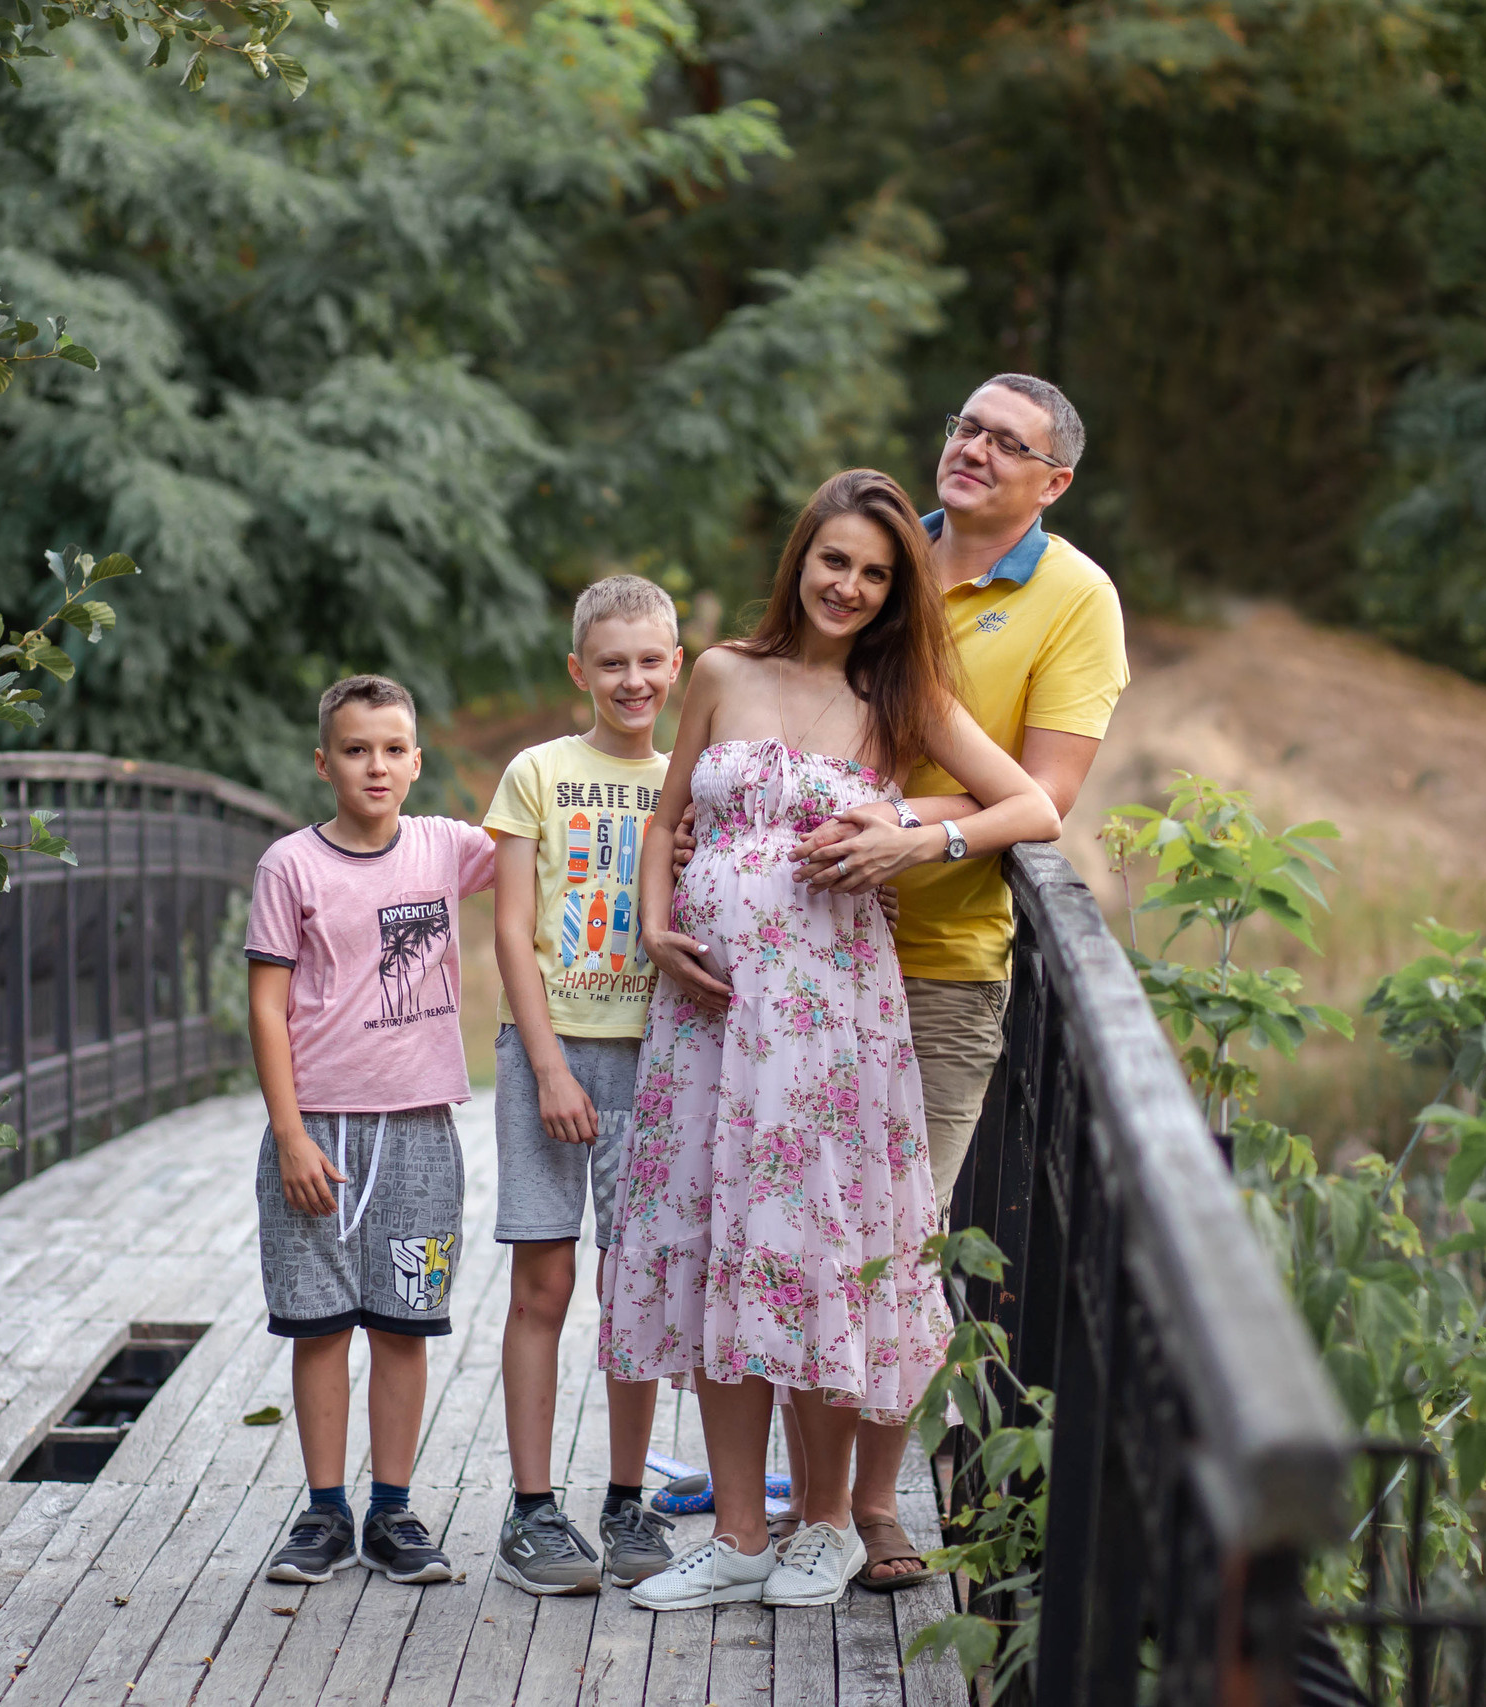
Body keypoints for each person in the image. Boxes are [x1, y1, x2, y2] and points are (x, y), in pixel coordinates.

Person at [608, 468, 1062, 1611]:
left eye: (873, 572)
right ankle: (740, 1534)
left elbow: (1032, 806)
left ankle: (824, 1526)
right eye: (833, 562)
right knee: (718, 1243)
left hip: (826, 1030)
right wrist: (657, 928)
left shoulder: (895, 695)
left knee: (810, 1253)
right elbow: (666, 820)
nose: (848, 587)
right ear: (799, 559)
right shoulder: (719, 671)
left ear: (895, 587)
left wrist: (914, 833)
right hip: (706, 1023)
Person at [770, 374, 1130, 1591]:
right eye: (964, 427)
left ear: (1052, 481)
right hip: (802, 954)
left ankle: (873, 1504)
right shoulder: (877, 558)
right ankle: (811, 1506)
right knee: (803, 1231)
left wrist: (907, 832)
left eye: (1005, 441)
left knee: (893, 1244)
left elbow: (1047, 797)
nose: (972, 449)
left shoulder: (1075, 597)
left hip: (937, 965)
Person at [248, 675, 498, 1586]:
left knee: (402, 1325)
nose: (376, 765)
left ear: (418, 761)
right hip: (315, 1133)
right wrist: (289, 1134)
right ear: (325, 763)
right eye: (356, 750)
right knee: (319, 1328)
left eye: (394, 749)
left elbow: (547, 855)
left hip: (420, 1136)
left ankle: (393, 1510)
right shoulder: (291, 866)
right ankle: (323, 1512)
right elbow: (267, 1009)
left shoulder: (447, 847)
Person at [482, 574, 684, 1596]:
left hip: (659, 1057)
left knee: (634, 1284)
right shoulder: (538, 773)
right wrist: (551, 1063)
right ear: (579, 673)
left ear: (678, 666)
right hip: (549, 1053)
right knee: (547, 1280)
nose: (632, 678)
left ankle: (626, 1499)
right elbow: (509, 930)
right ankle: (530, 1510)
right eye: (612, 662)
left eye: (650, 660)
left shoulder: (688, 781)